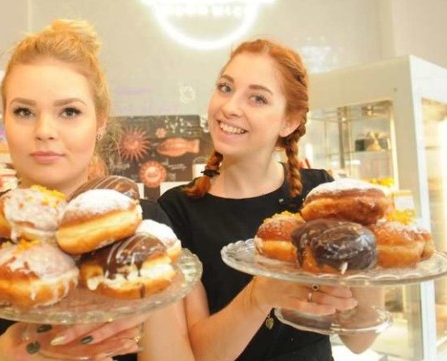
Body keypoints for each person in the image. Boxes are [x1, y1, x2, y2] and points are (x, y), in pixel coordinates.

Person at [0, 19, 194, 361]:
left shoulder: (142, 225)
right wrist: (8, 352)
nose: (44, 130)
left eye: (69, 111)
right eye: (24, 111)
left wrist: (147, 297)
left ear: (100, 122)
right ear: (4, 120)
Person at [158, 38, 384, 360]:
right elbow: (198, 355)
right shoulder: (176, 211)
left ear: (289, 121)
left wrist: (369, 254)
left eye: (258, 98)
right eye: (225, 87)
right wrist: (259, 295)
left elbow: (359, 341)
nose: (230, 107)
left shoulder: (320, 197)